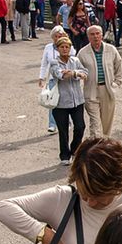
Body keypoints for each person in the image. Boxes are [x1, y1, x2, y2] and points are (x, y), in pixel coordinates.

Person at [77, 24, 122, 137]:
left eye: (98, 33)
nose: (95, 36)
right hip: (91, 90)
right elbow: (77, 70)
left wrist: (117, 83)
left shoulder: (111, 49)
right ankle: (95, 144)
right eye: (92, 34)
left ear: (102, 35)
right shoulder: (82, 53)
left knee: (107, 122)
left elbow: (119, 66)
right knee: (95, 122)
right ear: (88, 36)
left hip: (107, 90)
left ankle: (105, 143)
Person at [49, 35, 88, 165]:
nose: (65, 49)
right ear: (57, 49)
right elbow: (59, 74)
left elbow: (85, 73)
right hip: (61, 102)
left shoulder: (75, 60)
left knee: (80, 127)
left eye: (67, 47)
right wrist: (75, 73)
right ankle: (64, 155)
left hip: (77, 100)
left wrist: (72, 73)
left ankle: (75, 149)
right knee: (63, 130)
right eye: (62, 47)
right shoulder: (54, 62)